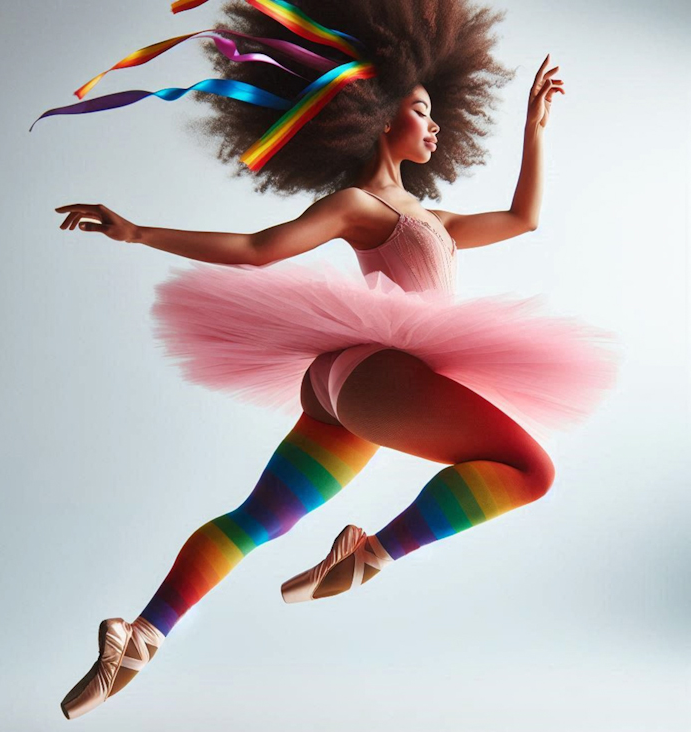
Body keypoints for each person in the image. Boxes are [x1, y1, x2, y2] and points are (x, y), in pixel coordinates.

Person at [44, 0, 621, 720]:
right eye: (421, 107)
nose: (435, 123)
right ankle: (371, 554)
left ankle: (141, 634)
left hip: (344, 387)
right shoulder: (359, 204)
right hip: (376, 371)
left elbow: (523, 218)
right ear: (381, 115)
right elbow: (259, 250)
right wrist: (137, 233)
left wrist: (534, 130)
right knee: (530, 470)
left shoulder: (433, 220)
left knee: (258, 518)